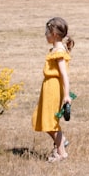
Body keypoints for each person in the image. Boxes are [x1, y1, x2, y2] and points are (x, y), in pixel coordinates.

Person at [32, 17, 73, 162]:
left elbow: (64, 75)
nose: (45, 35)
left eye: (47, 32)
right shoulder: (55, 50)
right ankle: (62, 142)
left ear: (54, 33)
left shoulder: (59, 52)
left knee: (50, 121)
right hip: (48, 87)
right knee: (43, 119)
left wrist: (66, 95)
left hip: (54, 89)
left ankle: (61, 152)